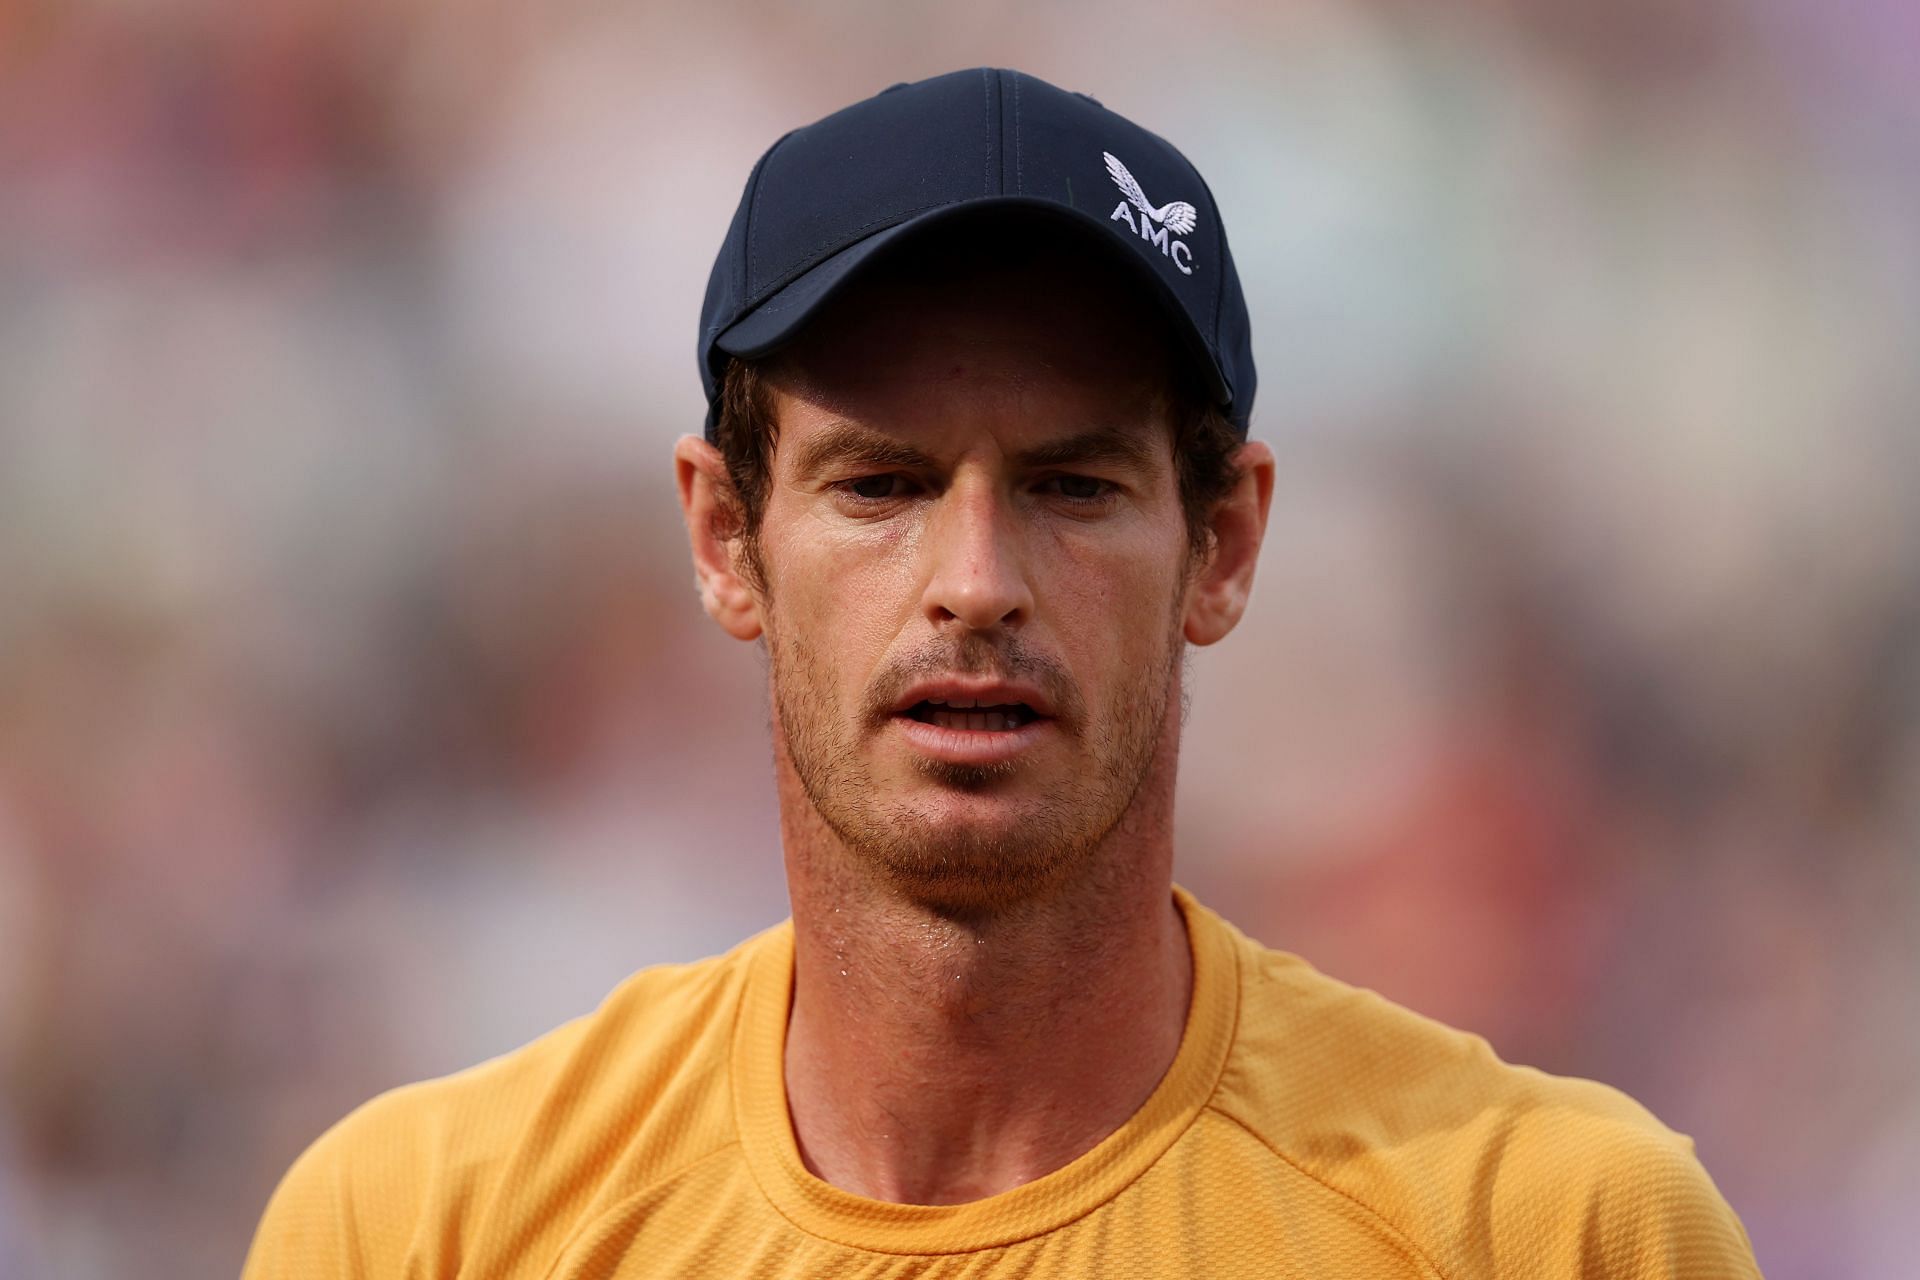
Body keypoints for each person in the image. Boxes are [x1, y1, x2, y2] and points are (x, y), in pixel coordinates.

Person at [242, 68, 1763, 1277]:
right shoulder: (419, 1234)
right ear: (723, 538)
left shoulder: (1554, 1238)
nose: (975, 584)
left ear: (1223, 544)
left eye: (1075, 487)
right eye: (881, 485)